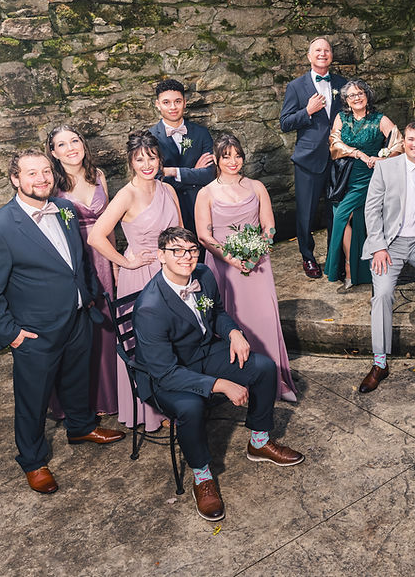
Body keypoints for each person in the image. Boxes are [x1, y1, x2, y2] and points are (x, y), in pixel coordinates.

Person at [0, 149, 124, 494]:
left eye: (45, 171)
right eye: (31, 173)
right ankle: (33, 460)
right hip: (34, 332)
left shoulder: (65, 209)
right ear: (15, 179)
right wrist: (11, 334)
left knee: (77, 379)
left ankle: (81, 427)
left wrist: (88, 297)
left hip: (77, 318)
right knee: (33, 399)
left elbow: (79, 261)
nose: (41, 179)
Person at [132, 227, 304, 521]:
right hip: (167, 376)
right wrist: (222, 384)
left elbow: (218, 314)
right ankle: (202, 476)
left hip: (202, 352)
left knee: (264, 367)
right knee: (191, 406)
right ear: (161, 256)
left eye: (191, 250)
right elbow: (165, 373)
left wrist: (234, 332)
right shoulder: (150, 307)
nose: (186, 257)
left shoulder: (203, 274)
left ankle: (259, 441)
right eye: (177, 251)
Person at [194, 133, 299, 402]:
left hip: (257, 265)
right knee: (234, 319)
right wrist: (230, 258)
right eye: (226, 156)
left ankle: (277, 380)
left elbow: (269, 227)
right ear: (216, 159)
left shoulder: (256, 186)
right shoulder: (206, 193)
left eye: (238, 155)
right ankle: (240, 381)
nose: (233, 161)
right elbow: (204, 236)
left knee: (264, 318)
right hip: (224, 269)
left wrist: (255, 254)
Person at [89, 130, 181, 431]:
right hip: (141, 276)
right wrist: (125, 261)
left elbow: (181, 233)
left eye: (152, 158)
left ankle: (179, 400)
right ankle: (153, 409)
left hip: (172, 273)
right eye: (140, 159)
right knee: (149, 343)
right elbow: (95, 236)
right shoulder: (126, 195)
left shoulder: (168, 191)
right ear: (131, 162)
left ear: (160, 159)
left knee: (176, 338)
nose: (147, 165)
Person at [359, 122, 415, 393]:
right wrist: (378, 247)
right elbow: (371, 209)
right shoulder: (386, 168)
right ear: (403, 142)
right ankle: (380, 362)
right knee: (383, 293)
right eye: (411, 139)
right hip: (390, 244)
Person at [46, 125, 118, 417]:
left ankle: (109, 396)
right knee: (79, 331)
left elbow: (109, 224)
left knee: (107, 326)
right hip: (74, 262)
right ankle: (80, 403)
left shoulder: (98, 175)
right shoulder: (52, 184)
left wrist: (115, 263)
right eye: (62, 144)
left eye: (74, 141)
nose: (71, 148)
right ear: (53, 152)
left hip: (103, 257)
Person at [279, 37, 348, 279]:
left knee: (336, 212)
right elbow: (285, 123)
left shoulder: (343, 84)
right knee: (306, 213)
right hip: (308, 160)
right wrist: (307, 111)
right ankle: (307, 257)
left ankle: (334, 258)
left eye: (326, 50)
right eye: (317, 50)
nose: (322, 53)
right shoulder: (296, 86)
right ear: (309, 56)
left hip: (339, 159)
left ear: (331, 55)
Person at [324, 79, 399, 288]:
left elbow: (399, 143)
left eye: (360, 93)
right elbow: (334, 143)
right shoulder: (341, 118)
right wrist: (357, 153)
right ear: (346, 100)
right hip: (343, 177)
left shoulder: (380, 119)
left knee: (342, 216)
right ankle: (355, 269)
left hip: (368, 177)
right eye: (352, 95)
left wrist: (382, 159)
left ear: (367, 95)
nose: (356, 98)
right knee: (353, 220)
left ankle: (348, 269)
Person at [148, 79, 215, 232]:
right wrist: (194, 173)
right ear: (158, 104)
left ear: (185, 102)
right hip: (167, 208)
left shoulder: (201, 133)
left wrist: (173, 171)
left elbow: (210, 174)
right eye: (166, 102)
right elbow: (154, 178)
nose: (173, 107)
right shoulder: (149, 137)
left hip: (200, 206)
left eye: (177, 101)